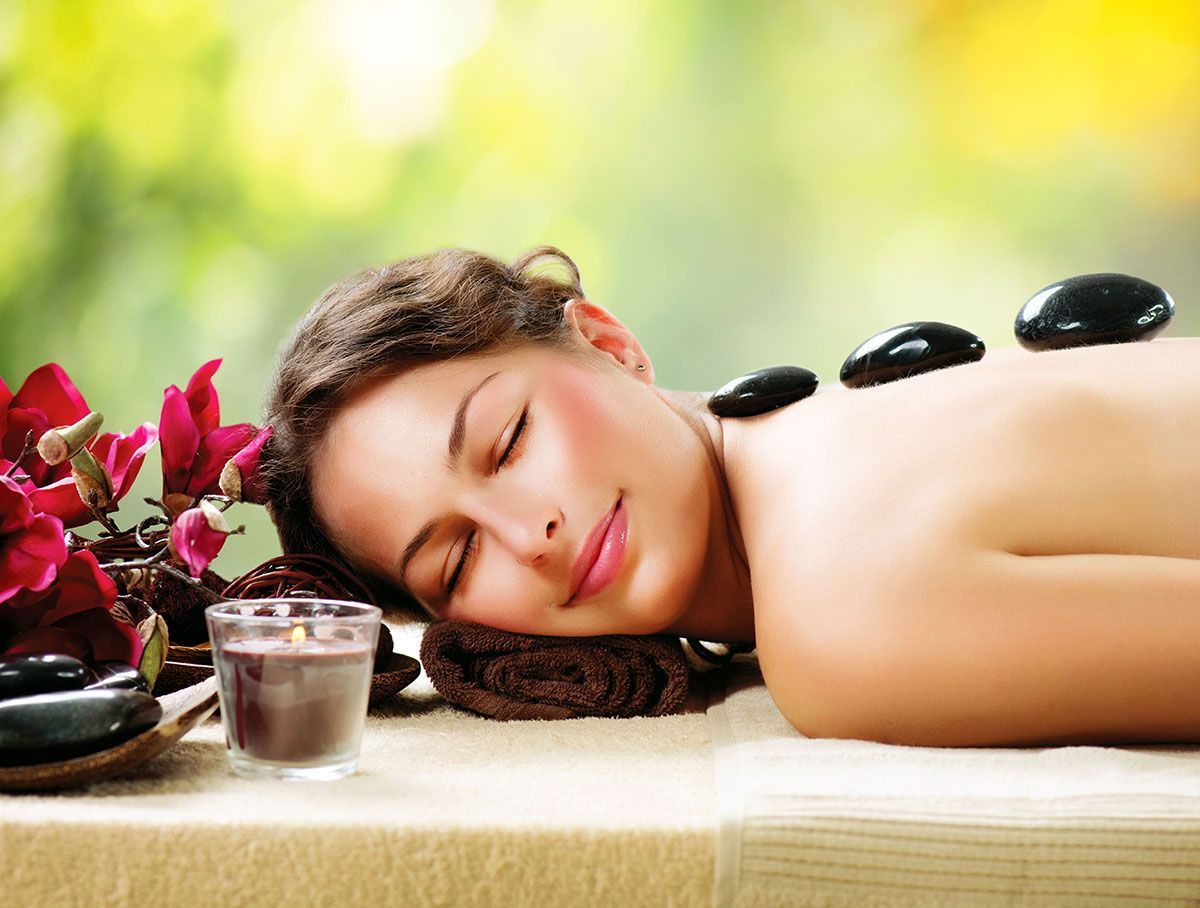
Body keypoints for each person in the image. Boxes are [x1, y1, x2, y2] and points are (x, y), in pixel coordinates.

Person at [260, 245, 1200, 748]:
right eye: (457, 559)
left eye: (508, 440)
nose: (528, 534)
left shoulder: (839, 616)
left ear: (608, 343)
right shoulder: (831, 437)